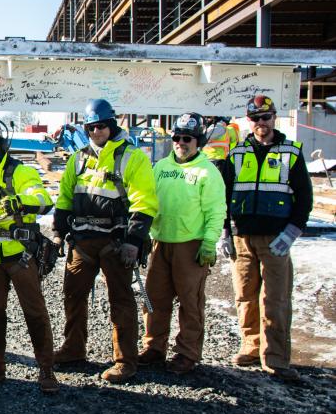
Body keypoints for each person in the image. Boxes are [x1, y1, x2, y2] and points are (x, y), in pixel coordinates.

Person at [52, 99, 158, 383]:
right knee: (73, 296)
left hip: (116, 241)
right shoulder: (78, 159)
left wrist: (134, 241)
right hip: (82, 241)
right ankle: (73, 349)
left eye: (101, 126)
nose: (96, 131)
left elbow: (144, 203)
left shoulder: (132, 158)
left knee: (121, 300)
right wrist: (59, 232)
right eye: (91, 127)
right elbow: (64, 197)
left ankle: (125, 360)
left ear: (111, 125)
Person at [0, 116, 59, 393]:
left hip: (20, 254)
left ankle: (46, 369)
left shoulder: (20, 172)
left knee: (35, 312)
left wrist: (21, 201)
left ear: (1, 146)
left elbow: (42, 199)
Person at [221, 95, 313, 381]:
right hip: (242, 237)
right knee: (245, 296)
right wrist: (225, 231)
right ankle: (251, 347)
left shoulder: (291, 153)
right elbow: (223, 196)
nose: (262, 123)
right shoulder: (237, 153)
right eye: (256, 119)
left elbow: (304, 198)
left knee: (275, 299)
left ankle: (275, 357)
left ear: (274, 118)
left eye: (266, 117)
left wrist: (292, 232)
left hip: (276, 238)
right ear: (249, 121)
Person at [139, 112, 226, 374]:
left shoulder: (207, 172)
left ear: (198, 141)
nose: (181, 142)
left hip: (190, 245)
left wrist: (209, 243)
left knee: (190, 302)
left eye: (187, 138)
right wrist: (143, 233)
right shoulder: (161, 167)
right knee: (153, 299)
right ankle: (155, 347)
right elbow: (149, 202)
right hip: (161, 242)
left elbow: (215, 211)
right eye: (177, 137)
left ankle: (187, 353)